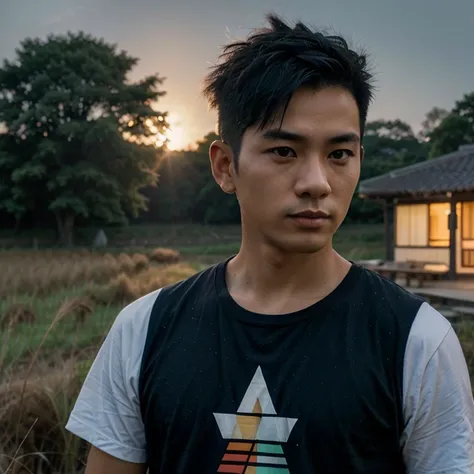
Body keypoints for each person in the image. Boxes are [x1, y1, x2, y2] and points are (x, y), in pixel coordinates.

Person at [66, 14, 474, 474]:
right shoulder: (143, 330)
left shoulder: (417, 342)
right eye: (284, 151)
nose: (317, 182)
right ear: (225, 166)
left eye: (340, 154)